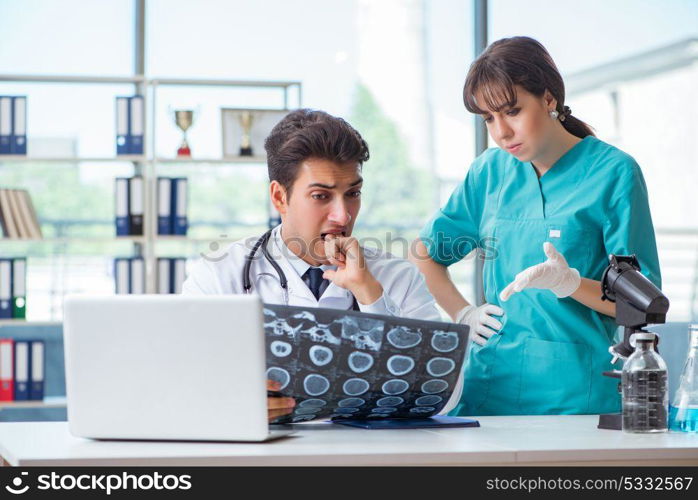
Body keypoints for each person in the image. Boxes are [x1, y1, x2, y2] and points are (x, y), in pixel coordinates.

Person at [409, 36, 661, 416]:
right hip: (491, 386)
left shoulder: (613, 173)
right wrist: (463, 313)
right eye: (488, 118)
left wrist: (570, 283)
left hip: (577, 395)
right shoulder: (489, 173)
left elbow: (642, 304)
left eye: (512, 111)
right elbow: (426, 254)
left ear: (548, 99)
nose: (501, 132)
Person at [182, 109, 444, 421]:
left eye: (353, 194)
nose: (343, 216)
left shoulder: (397, 277)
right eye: (321, 196)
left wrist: (371, 297)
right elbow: (183, 382)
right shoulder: (218, 275)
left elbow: (443, 394)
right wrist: (231, 400)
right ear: (280, 197)